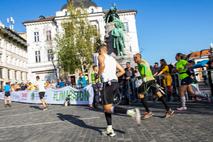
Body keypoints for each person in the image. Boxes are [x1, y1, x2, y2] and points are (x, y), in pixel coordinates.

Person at [98, 44, 141, 137]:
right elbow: (122, 71)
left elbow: (102, 65)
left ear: (101, 50)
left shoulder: (101, 56)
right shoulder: (112, 59)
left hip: (107, 84)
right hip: (114, 83)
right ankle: (109, 129)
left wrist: (98, 74)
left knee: (107, 108)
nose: (98, 53)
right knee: (107, 107)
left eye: (99, 51)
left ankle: (131, 112)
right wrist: (114, 77)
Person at [133, 53, 174, 119]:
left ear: (139, 57)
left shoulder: (141, 63)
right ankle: (169, 110)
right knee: (158, 94)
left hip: (147, 80)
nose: (134, 59)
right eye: (134, 57)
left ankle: (148, 112)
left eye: (136, 57)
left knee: (140, 94)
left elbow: (144, 70)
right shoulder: (142, 62)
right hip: (151, 79)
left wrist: (143, 78)